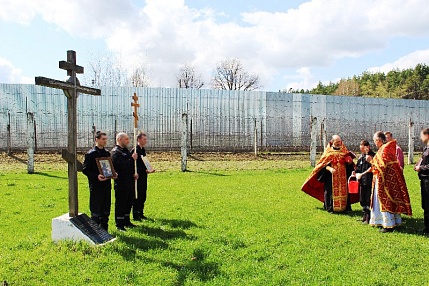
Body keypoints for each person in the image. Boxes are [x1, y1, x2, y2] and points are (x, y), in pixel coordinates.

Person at [356, 131, 412, 233]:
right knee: (385, 201)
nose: (374, 143)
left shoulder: (385, 149)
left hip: (385, 181)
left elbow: (382, 166)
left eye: (375, 141)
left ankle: (388, 224)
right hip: (383, 179)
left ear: (378, 140)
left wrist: (371, 161)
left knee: (386, 201)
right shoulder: (385, 148)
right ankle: (385, 221)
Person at [302, 135, 358, 213]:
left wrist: (350, 162)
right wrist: (330, 169)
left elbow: (350, 165)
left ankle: (345, 207)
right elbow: (322, 165)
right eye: (337, 142)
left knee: (345, 191)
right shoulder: (328, 153)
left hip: (343, 177)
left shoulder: (344, 151)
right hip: (330, 177)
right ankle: (331, 207)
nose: (339, 143)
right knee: (330, 191)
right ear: (332, 142)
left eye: (340, 141)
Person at [82, 131, 115, 231]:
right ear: (96, 139)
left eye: (106, 139)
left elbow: (110, 167)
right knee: (96, 212)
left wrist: (113, 173)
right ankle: (95, 232)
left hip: (106, 185)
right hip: (96, 186)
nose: (105, 141)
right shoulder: (91, 154)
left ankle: (105, 231)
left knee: (106, 210)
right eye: (103, 139)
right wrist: (96, 176)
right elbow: (85, 170)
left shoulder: (107, 153)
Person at [111, 132, 138, 231]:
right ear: (120, 139)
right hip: (121, 182)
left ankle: (127, 220)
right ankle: (119, 224)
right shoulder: (116, 152)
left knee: (128, 201)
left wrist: (134, 174)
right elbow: (121, 166)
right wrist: (132, 159)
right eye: (126, 139)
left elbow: (130, 165)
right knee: (121, 203)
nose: (128, 141)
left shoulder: (126, 151)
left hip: (129, 181)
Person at [131, 132, 155, 221]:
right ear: (138, 139)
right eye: (144, 139)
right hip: (138, 176)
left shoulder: (143, 150)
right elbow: (134, 164)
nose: (145, 141)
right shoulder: (135, 150)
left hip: (144, 175)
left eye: (146, 139)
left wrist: (149, 169)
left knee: (143, 195)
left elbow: (144, 161)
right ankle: (135, 214)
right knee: (137, 195)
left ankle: (141, 212)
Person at [354, 140, 375, 224]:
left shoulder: (372, 156)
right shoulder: (361, 157)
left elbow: (373, 168)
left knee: (368, 199)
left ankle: (369, 217)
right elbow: (358, 168)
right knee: (362, 199)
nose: (362, 151)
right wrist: (355, 172)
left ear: (367, 147)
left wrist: (362, 174)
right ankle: (364, 215)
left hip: (369, 181)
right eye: (361, 149)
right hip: (362, 182)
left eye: (363, 148)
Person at [414, 128, 429, 233]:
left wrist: (421, 168)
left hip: (428, 179)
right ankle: (427, 226)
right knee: (425, 204)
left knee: (428, 203)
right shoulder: (426, 148)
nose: (420, 138)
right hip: (424, 179)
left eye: (422, 135)